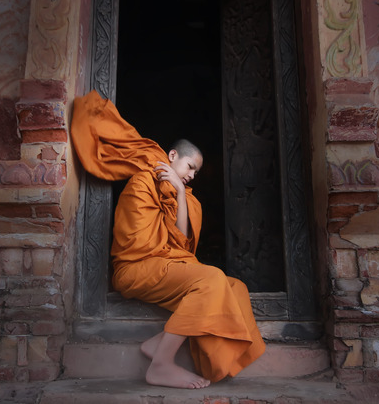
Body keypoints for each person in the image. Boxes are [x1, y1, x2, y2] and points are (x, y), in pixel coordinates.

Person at [71, 90, 265, 389]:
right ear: (173, 156)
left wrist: (178, 193)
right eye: (190, 167)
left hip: (166, 266)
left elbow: (182, 245)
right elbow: (138, 244)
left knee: (235, 287)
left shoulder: (186, 198)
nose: (192, 176)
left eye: (196, 173)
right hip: (137, 267)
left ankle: (162, 345)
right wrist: (171, 193)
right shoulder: (141, 183)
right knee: (211, 279)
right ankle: (161, 365)